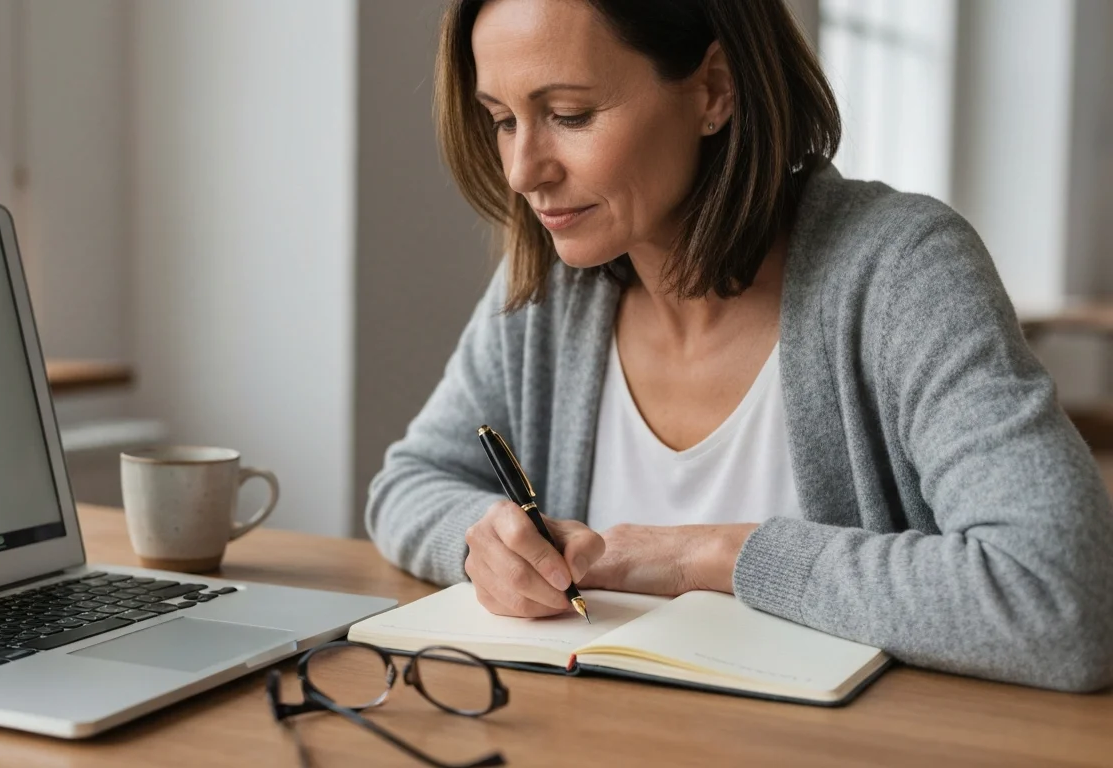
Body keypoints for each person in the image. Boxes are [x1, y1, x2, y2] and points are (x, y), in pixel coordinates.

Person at [366, 0, 1113, 692]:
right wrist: (482, 545)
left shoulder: (900, 271)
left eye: (569, 114)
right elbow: (407, 483)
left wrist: (710, 558)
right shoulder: (549, 292)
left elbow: (1065, 596)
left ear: (715, 90)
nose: (525, 171)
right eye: (501, 119)